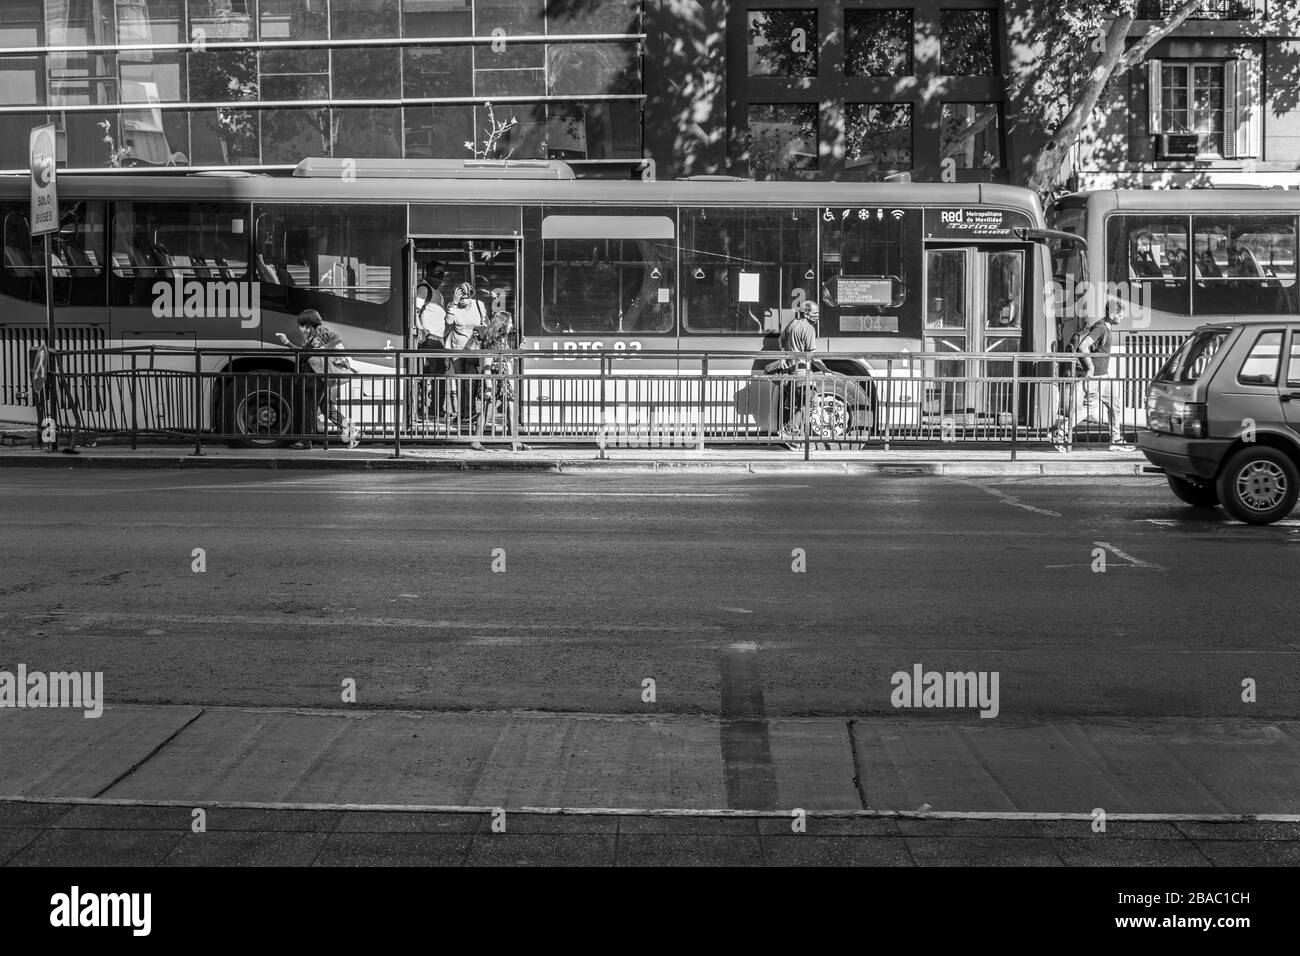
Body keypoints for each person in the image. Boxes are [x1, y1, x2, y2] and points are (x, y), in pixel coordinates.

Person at [1051, 302, 1131, 453]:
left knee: (1115, 405)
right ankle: (1060, 432)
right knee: (1089, 408)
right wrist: (1090, 366)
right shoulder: (1101, 327)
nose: (1121, 318)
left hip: (1104, 376)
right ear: (1112, 314)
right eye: (1120, 315)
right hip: (1097, 376)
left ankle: (1116, 440)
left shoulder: (1106, 327)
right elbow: (1083, 346)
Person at [275, 309, 359, 449]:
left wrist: (324, 349)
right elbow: (303, 353)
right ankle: (351, 431)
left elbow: (337, 338)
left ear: (310, 323)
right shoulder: (310, 337)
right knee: (326, 408)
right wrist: (287, 342)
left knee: (309, 409)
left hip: (318, 378)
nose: (301, 328)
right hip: (316, 377)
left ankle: (306, 441)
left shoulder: (319, 330)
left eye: (303, 325)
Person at [443, 281, 486, 425]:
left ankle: (471, 412)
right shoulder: (452, 306)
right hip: (457, 349)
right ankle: (462, 414)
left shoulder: (479, 305)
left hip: (474, 349)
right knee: (460, 381)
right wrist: (454, 304)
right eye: (461, 298)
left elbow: (485, 323)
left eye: (466, 297)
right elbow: (448, 322)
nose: (464, 300)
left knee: (472, 381)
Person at [414, 260, 447, 422]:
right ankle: (433, 409)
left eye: (442, 274)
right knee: (434, 375)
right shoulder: (424, 289)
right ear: (427, 273)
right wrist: (424, 332)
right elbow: (414, 311)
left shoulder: (436, 292)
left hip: (438, 340)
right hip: (430, 341)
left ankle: (432, 408)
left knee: (436, 374)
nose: (440, 278)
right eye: (437, 274)